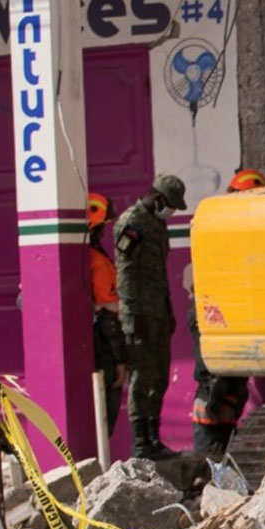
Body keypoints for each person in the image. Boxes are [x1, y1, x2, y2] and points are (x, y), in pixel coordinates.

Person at [186, 169, 265, 456]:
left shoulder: (232, 228)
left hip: (225, 319)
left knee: (228, 390)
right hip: (212, 316)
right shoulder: (221, 227)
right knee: (213, 386)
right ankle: (205, 471)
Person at [116, 174, 187, 460]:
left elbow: (159, 274)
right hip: (139, 315)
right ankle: (141, 442)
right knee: (141, 377)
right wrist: (134, 315)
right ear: (157, 198)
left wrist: (168, 309)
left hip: (158, 310)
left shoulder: (158, 224)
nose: (170, 211)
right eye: (169, 204)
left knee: (160, 375)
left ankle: (154, 438)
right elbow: (125, 273)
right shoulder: (130, 223)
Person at [86, 193, 128, 439]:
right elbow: (109, 312)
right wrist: (121, 360)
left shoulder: (79, 258)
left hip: (90, 349)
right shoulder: (98, 263)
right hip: (104, 353)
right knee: (103, 422)